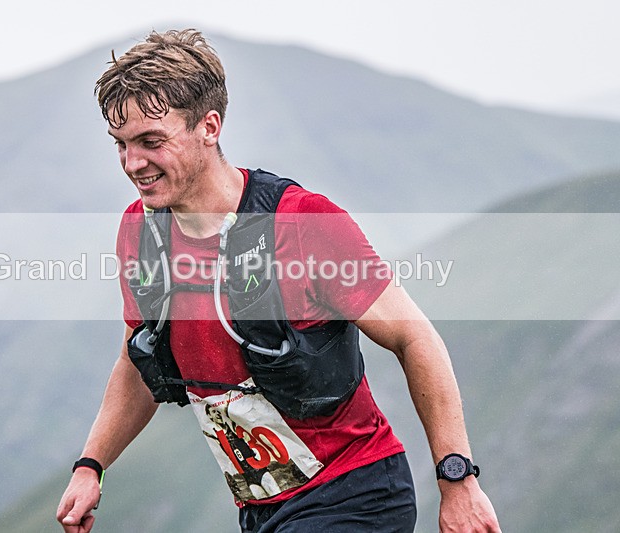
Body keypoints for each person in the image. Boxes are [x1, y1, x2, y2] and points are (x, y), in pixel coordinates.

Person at [56, 29, 501, 532]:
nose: (133, 163)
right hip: (261, 510)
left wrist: (457, 480)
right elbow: (136, 362)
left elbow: (414, 337)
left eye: (151, 142)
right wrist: (91, 466)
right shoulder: (141, 233)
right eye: (120, 144)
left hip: (355, 496)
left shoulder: (301, 222)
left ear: (209, 126)